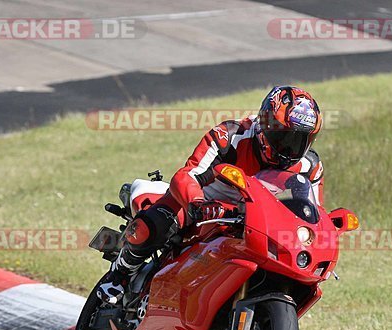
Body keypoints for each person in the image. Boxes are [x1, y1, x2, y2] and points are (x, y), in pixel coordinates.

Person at [98, 85, 325, 304]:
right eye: (283, 138)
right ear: (266, 124)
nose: (289, 149)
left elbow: (312, 214)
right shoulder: (230, 136)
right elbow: (187, 175)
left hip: (255, 222)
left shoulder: (309, 167)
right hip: (203, 206)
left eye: (300, 141)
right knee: (159, 221)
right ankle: (120, 273)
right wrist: (197, 204)